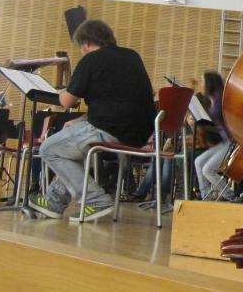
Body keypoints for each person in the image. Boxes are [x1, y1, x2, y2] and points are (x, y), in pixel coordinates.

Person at [27, 19, 156, 223]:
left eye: (81, 47)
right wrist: (80, 120)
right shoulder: (132, 56)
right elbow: (121, 99)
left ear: (86, 43)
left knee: (49, 149)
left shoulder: (91, 59)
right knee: (69, 151)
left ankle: (95, 199)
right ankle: (53, 202)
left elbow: (67, 101)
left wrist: (61, 91)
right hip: (140, 131)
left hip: (111, 128)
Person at [192, 71, 233, 200]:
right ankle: (205, 197)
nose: (201, 84)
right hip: (224, 141)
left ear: (209, 83)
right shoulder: (213, 99)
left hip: (232, 141)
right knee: (198, 162)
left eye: (202, 81)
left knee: (208, 169)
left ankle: (230, 196)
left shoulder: (220, 98)